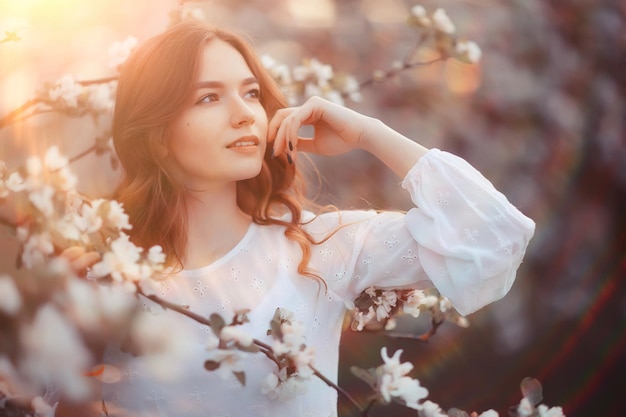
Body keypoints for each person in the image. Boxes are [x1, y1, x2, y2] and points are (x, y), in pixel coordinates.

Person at [62, 20, 535, 417]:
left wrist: (369, 133)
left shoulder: (321, 248)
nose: (245, 114)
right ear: (157, 135)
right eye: (209, 97)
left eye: (251, 93)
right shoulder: (100, 277)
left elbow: (497, 242)